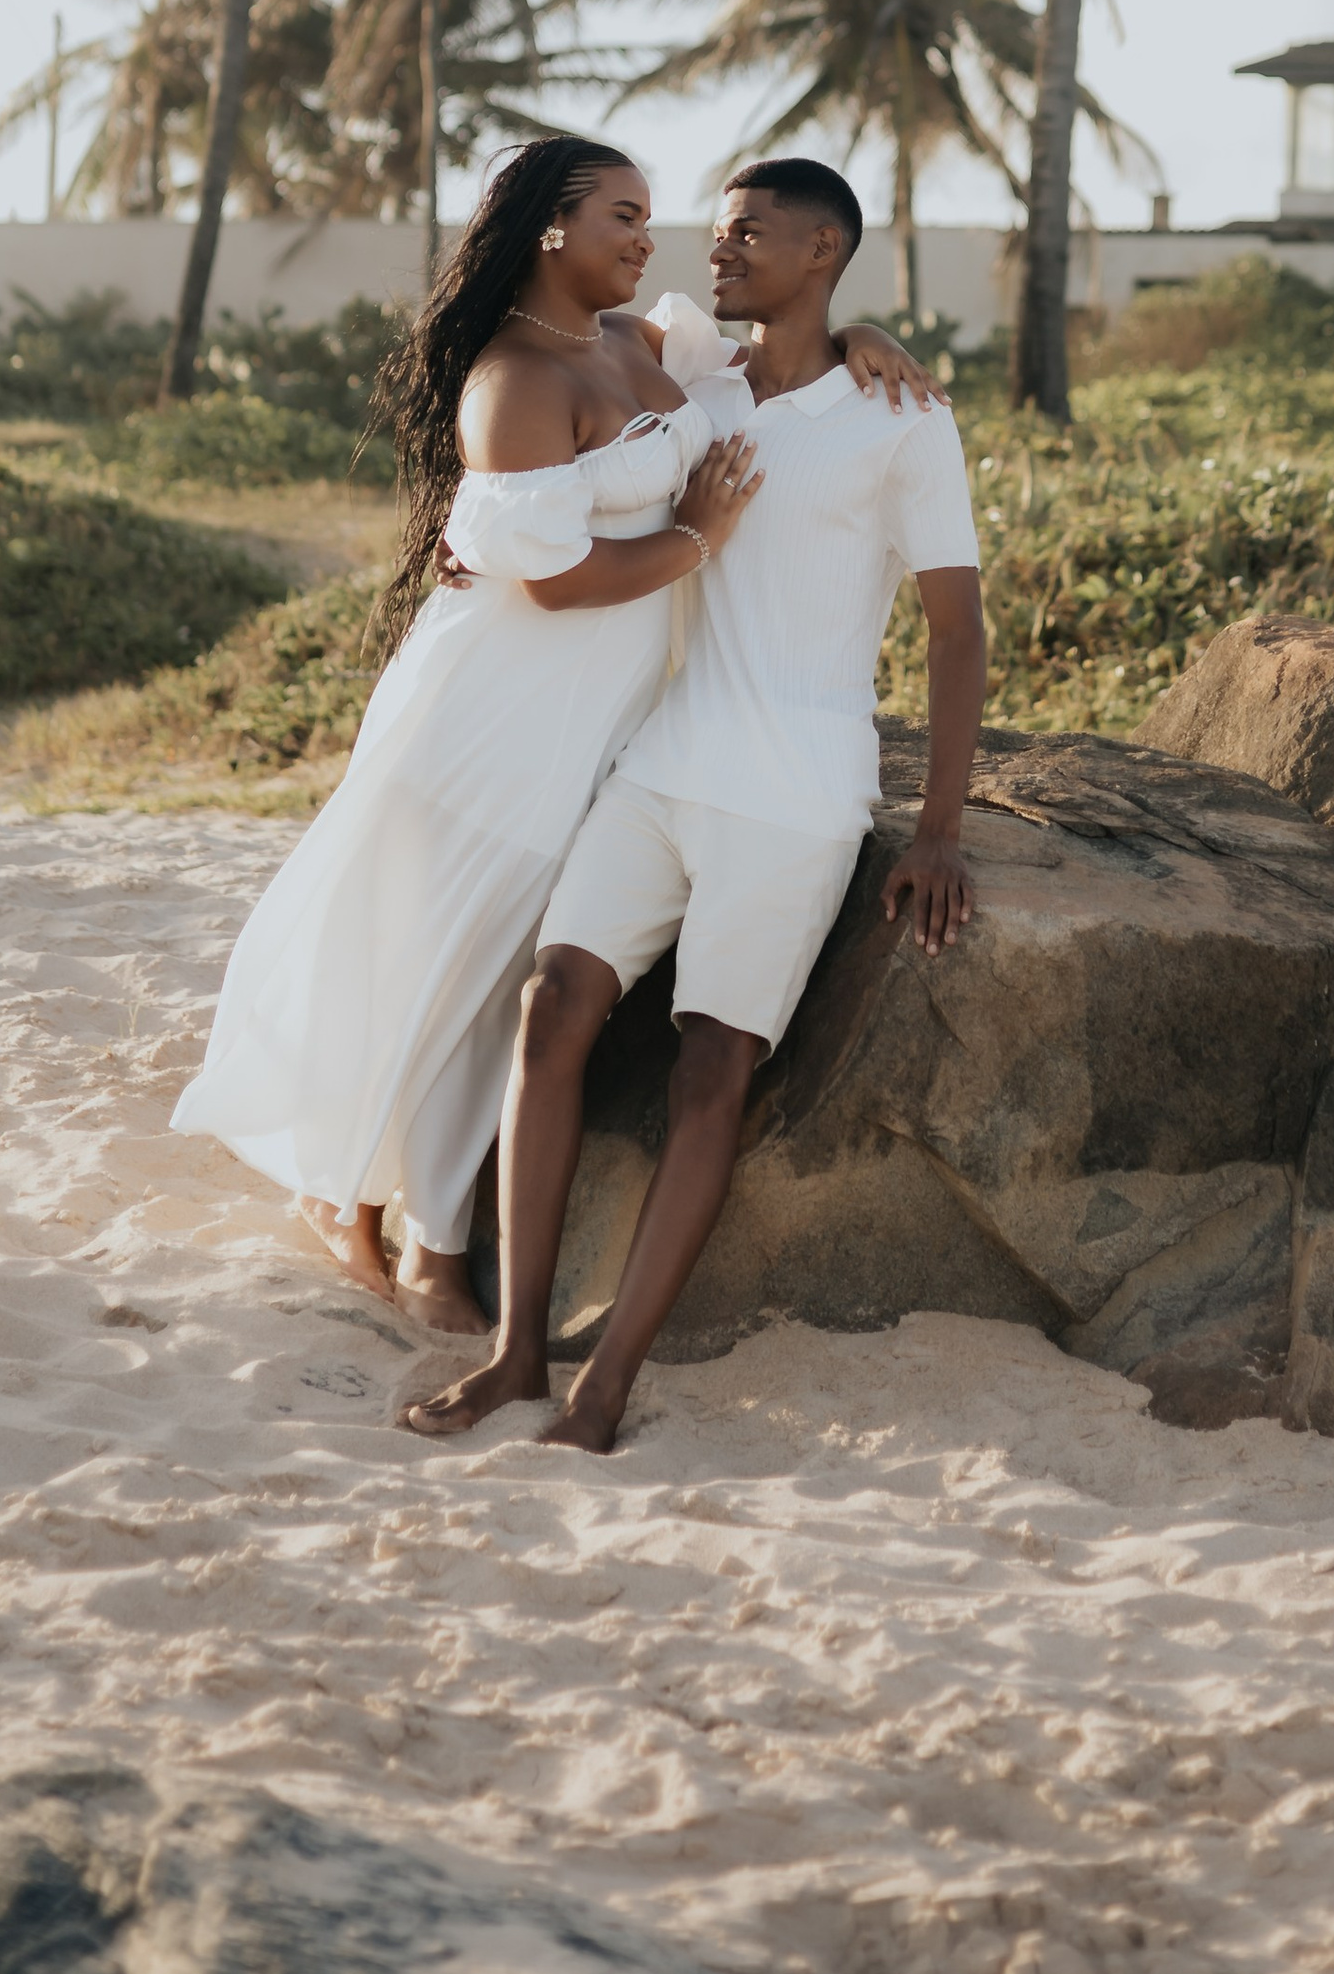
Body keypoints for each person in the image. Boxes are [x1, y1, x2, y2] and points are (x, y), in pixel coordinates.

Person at [170, 135, 940, 1332]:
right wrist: (695, 538)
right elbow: (551, 580)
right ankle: (374, 1211)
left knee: (508, 967)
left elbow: (770, 353)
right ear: (545, 229)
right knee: (435, 951)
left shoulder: (640, 343)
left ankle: (412, 1213)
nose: (650, 238)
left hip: (612, 720)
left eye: (649, 217)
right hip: (495, 708)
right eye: (623, 216)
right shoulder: (515, 381)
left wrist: (857, 341)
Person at [401, 155, 986, 1446]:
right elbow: (557, 365)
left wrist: (937, 827)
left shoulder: (903, 415)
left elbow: (956, 628)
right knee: (552, 1009)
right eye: (713, 234)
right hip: (663, 765)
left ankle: (605, 1384)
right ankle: (514, 1357)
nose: (709, 255)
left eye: (743, 236)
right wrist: (486, 530)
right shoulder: (697, 381)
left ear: (821, 250)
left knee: (712, 1071)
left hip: (798, 794)